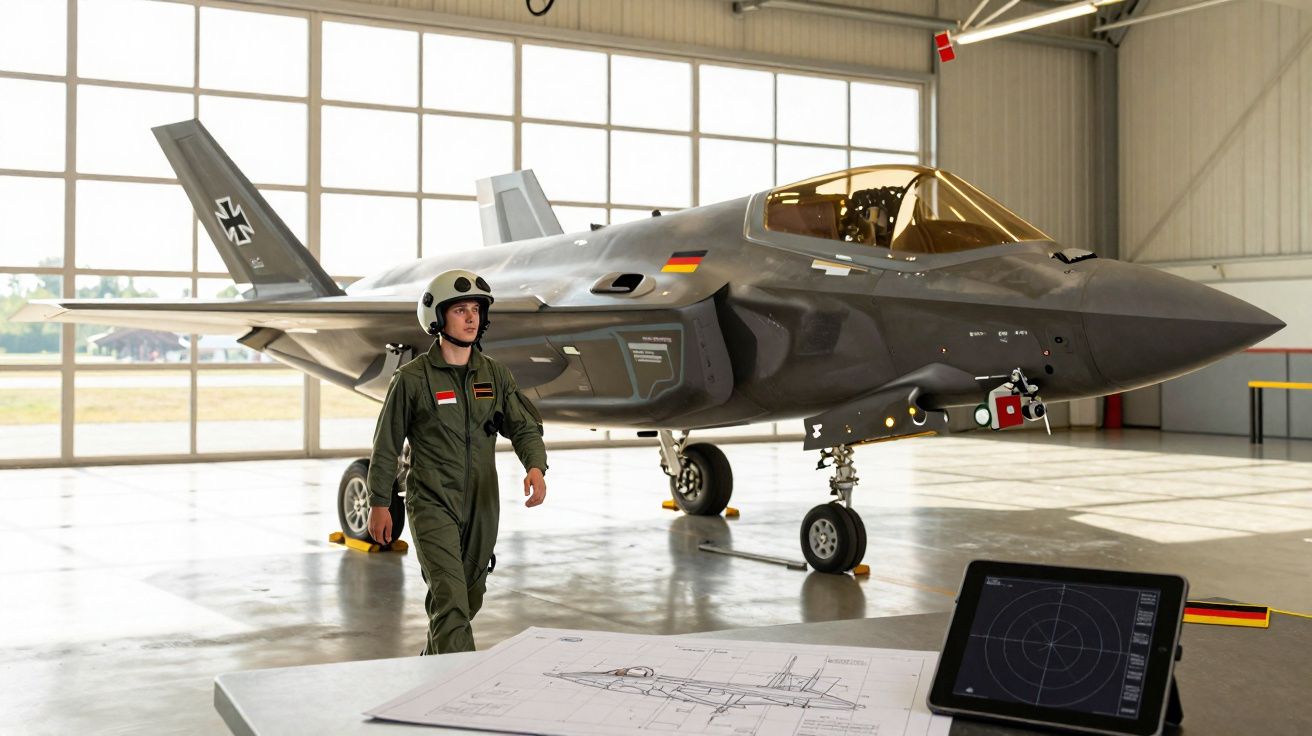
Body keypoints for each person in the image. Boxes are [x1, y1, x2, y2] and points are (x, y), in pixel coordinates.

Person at [366, 269, 548, 654]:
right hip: (432, 502)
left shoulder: (494, 375)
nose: (470, 318)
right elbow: (386, 445)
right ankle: (460, 694)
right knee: (450, 600)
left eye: (476, 310)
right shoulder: (412, 379)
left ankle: (430, 671)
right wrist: (380, 502)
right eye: (460, 310)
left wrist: (535, 466)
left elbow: (523, 426)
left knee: (468, 597)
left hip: (483, 503)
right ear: (438, 318)